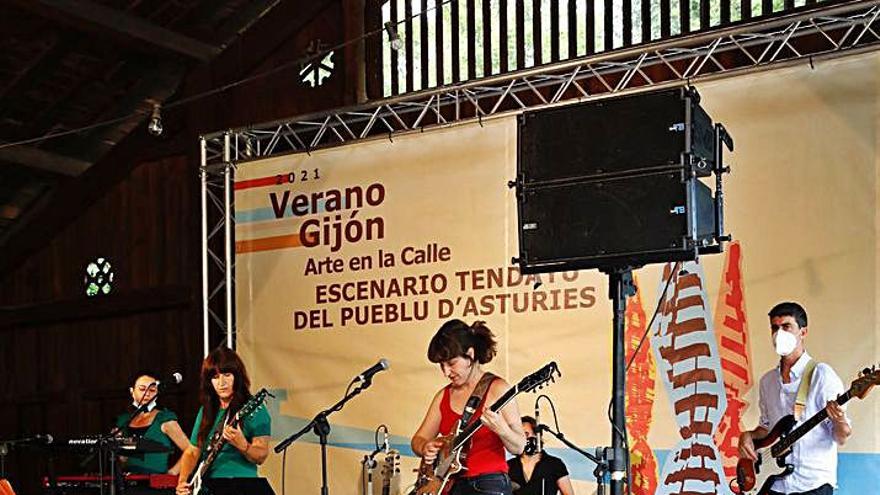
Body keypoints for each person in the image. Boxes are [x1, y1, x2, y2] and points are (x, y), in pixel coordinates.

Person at [738, 302, 852, 495]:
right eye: (775, 328)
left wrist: (839, 419)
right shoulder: (768, 381)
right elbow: (766, 428)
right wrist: (747, 436)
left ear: (803, 332)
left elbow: (841, 437)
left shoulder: (822, 375)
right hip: (772, 485)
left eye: (786, 327)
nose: (779, 334)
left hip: (812, 485)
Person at [411, 319, 526, 495]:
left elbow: (519, 447)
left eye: (451, 363)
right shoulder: (443, 396)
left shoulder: (498, 388)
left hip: (488, 482)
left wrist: (502, 429)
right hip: (449, 484)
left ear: (470, 355)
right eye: (441, 366)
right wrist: (425, 446)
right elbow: (418, 439)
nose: (446, 372)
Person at [176, 347, 271, 495]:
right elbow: (192, 452)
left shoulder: (254, 409)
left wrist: (243, 445)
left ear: (237, 376)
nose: (221, 383)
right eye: (215, 377)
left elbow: (261, 455)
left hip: (241, 484)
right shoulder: (206, 410)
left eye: (227, 375)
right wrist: (183, 481)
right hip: (207, 485)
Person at [114, 371, 190, 474]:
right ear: (132, 391)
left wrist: (172, 473)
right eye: (142, 389)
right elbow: (122, 460)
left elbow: (190, 451)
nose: (147, 394)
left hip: (154, 483)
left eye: (152, 390)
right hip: (128, 481)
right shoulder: (124, 420)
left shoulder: (164, 418)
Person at [507, 416, 574, 495]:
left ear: (537, 436)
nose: (524, 439)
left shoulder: (555, 464)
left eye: (526, 434)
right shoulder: (508, 466)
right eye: (520, 436)